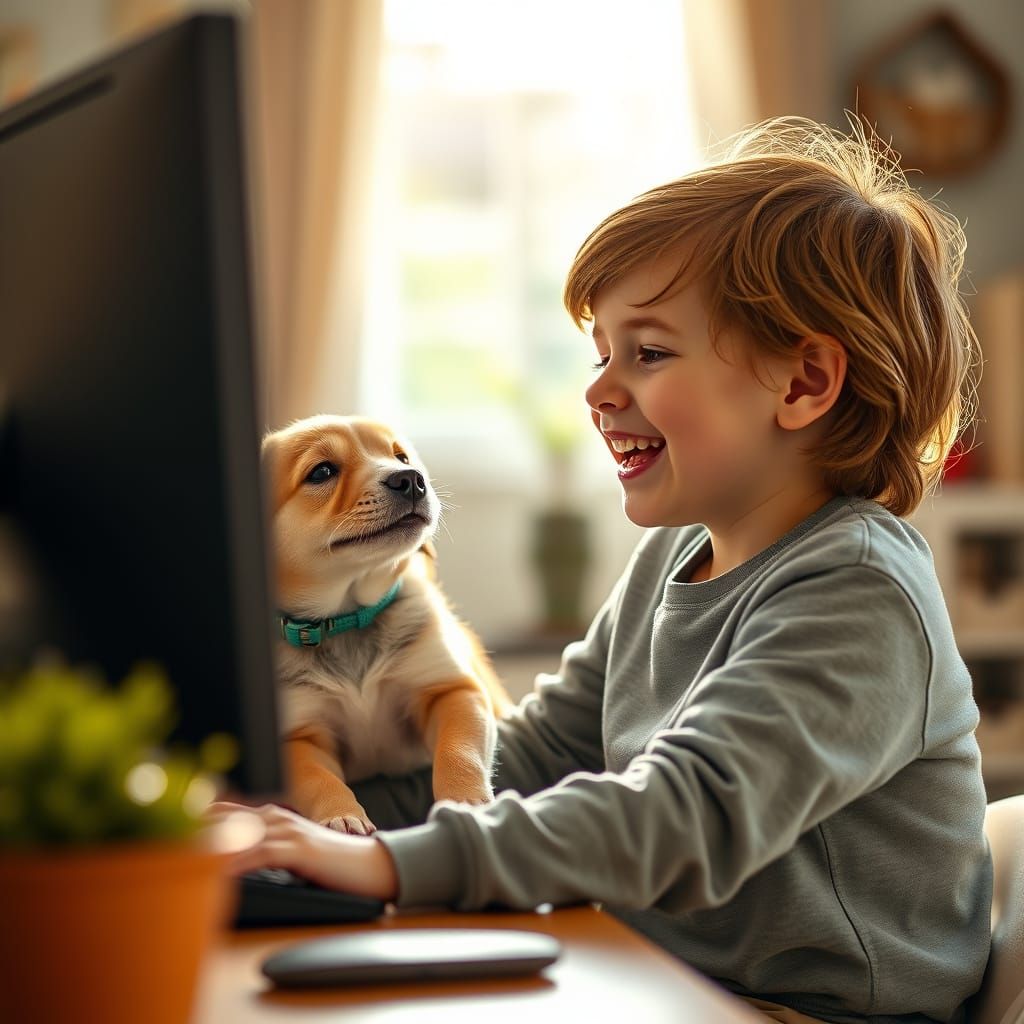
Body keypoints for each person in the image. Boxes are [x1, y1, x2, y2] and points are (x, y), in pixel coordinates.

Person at [208, 116, 991, 1024]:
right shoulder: (675, 554)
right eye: (601, 353)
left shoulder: (861, 590)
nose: (598, 390)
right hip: (660, 974)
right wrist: (298, 825)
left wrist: (385, 864)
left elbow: (684, 813)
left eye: (648, 352)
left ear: (804, 383)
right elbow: (537, 754)